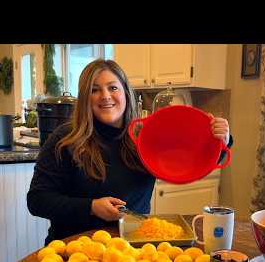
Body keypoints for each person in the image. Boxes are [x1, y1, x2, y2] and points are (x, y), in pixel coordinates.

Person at [27, 59, 233, 245]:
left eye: (112, 87)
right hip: (74, 248)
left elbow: (189, 164)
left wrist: (219, 142)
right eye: (94, 90)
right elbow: (37, 200)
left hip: (134, 247)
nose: (105, 96)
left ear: (126, 93)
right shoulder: (65, 139)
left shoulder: (147, 136)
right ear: (85, 99)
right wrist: (91, 207)